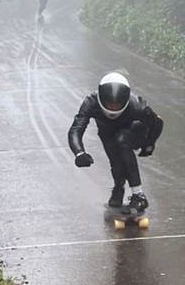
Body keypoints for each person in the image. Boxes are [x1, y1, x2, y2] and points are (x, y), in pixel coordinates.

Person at [69, 71, 163, 210]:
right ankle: (118, 188)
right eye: (109, 104)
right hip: (107, 132)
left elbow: (157, 123)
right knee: (115, 159)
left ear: (125, 100)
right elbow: (76, 129)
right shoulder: (91, 103)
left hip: (134, 130)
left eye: (117, 104)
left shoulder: (137, 105)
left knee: (121, 140)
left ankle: (139, 195)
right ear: (101, 97)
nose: (113, 108)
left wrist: (149, 144)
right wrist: (79, 153)